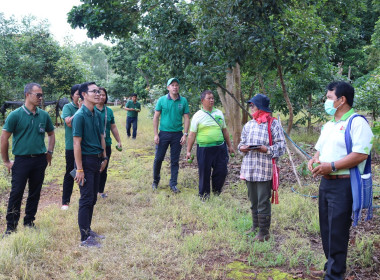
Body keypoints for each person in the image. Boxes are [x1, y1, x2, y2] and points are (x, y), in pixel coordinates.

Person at [307, 81, 373, 280]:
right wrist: (314, 160)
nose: (326, 102)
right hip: (326, 183)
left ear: (341, 100)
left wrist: (333, 165)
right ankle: (331, 267)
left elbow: (361, 154)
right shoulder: (329, 125)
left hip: (343, 184)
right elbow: (319, 150)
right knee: (326, 229)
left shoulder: (357, 122)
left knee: (337, 232)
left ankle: (335, 275)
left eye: (329, 98)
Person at [1, 83, 55, 235]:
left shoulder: (43, 115)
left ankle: (29, 222)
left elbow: (51, 134)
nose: (40, 98)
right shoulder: (15, 115)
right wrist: (6, 161)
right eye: (38, 95)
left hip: (39, 160)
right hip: (21, 161)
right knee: (16, 193)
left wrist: (49, 151)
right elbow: (4, 138)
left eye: (41, 95)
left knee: (35, 192)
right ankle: (11, 227)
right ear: (27, 95)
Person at [238, 94, 285, 242]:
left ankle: (264, 233)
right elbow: (240, 144)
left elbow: (281, 147)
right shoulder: (249, 125)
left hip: (264, 170)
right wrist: (243, 148)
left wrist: (267, 149)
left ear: (261, 107)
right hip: (250, 168)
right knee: (253, 200)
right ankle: (255, 226)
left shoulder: (273, 124)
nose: (251, 108)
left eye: (253, 105)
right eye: (250, 105)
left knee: (263, 201)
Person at [72, 82, 108, 248]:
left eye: (98, 91)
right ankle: (84, 238)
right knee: (86, 199)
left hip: (96, 160)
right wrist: (79, 169)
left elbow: (101, 136)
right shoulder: (80, 116)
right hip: (84, 161)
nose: (98, 94)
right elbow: (76, 144)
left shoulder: (97, 115)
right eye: (94, 91)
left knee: (93, 197)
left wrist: (104, 157)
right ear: (84, 95)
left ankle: (88, 229)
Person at [186, 90, 235, 199]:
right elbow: (192, 135)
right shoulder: (197, 116)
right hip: (204, 149)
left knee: (222, 171)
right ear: (202, 101)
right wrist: (188, 151)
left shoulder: (219, 113)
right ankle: (204, 196)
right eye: (209, 98)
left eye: (213, 98)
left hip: (220, 148)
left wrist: (230, 146)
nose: (212, 100)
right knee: (204, 173)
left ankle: (216, 192)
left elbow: (225, 131)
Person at [152, 78, 190, 193]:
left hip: (177, 134)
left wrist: (185, 134)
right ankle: (155, 181)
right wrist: (155, 134)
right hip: (163, 134)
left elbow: (187, 118)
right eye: (172, 85)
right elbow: (156, 117)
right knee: (158, 158)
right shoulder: (162, 100)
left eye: (177, 85)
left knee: (174, 161)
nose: (175, 87)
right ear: (168, 87)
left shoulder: (183, 101)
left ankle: (173, 184)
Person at [95, 87, 122, 198]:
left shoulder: (108, 111)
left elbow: (113, 127)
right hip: (94, 145)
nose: (102, 97)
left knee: (104, 167)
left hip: (107, 143)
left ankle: (100, 191)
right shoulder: (91, 109)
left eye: (104, 95)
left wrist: (119, 140)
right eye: (100, 94)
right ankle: (92, 190)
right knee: (94, 167)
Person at [60, 84, 81, 210]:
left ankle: (86, 198)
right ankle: (65, 201)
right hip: (71, 146)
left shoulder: (89, 108)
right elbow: (69, 123)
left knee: (84, 171)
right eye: (78, 94)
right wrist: (80, 110)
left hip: (85, 146)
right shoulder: (68, 107)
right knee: (70, 173)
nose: (80, 96)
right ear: (72, 95)